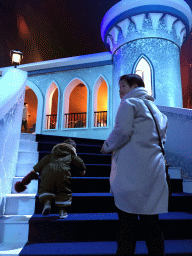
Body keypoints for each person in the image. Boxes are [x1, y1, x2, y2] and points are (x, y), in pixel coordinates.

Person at [101, 74, 168, 255]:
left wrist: (106, 146)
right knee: (152, 226)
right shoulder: (157, 111)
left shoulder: (129, 103)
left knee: (127, 226)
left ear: (134, 85)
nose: (120, 90)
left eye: (123, 85)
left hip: (132, 175)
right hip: (153, 173)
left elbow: (121, 131)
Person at [15, 138, 86, 219]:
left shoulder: (51, 155)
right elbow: (79, 162)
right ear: (73, 149)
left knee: (47, 188)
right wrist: (82, 169)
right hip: (63, 174)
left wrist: (32, 173)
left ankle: (47, 202)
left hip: (48, 173)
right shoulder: (71, 155)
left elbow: (40, 165)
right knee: (64, 191)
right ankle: (62, 210)